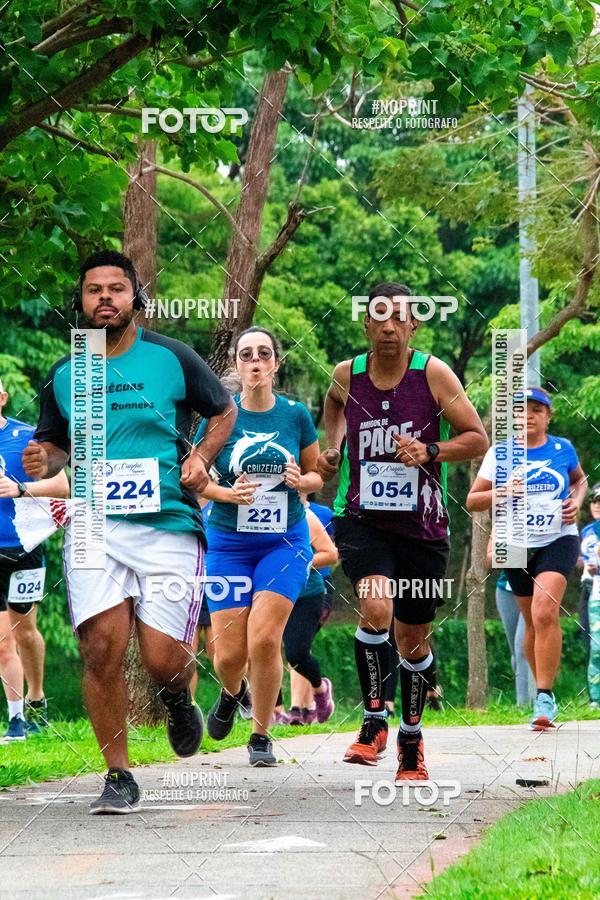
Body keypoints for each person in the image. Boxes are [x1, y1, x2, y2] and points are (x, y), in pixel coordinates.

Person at [23, 250, 236, 813]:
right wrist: (42, 458)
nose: (105, 299)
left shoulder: (171, 357)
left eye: (116, 289)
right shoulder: (66, 373)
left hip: (167, 524)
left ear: (135, 299)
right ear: (81, 302)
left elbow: (223, 410)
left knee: (165, 658)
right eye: (94, 290)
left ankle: (176, 697)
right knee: (99, 649)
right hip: (95, 524)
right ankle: (118, 775)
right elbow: (54, 447)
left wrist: (204, 459)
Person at [317, 282, 488, 781]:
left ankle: (411, 737)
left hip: (422, 526)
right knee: (375, 606)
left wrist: (431, 451)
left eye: (400, 317)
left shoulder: (432, 373)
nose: (389, 326)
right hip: (361, 519)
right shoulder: (347, 373)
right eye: (379, 316)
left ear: (414, 324)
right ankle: (374, 722)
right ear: (366, 324)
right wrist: (335, 446)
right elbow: (332, 405)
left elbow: (476, 437)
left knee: (413, 639)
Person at [197, 326, 324, 767]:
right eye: (246, 354)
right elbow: (194, 476)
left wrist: (300, 481)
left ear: (275, 363)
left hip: (284, 541)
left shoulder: (294, 415)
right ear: (236, 364)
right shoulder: (219, 417)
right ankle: (233, 693)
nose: (255, 361)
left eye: (263, 354)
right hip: (229, 543)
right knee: (229, 654)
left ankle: (261, 735)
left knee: (266, 639)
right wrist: (225, 493)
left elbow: (315, 475)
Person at [467, 387, 587, 730]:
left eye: (537, 409)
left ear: (548, 416)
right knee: (532, 623)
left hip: (557, 539)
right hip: (514, 543)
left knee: (544, 611)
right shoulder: (499, 454)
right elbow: (473, 500)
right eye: (522, 410)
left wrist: (576, 501)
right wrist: (502, 491)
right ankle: (541, 696)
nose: (529, 415)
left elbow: (579, 481)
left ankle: (545, 697)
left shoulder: (563, 448)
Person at [0, 377, 70, 740]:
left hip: (23, 548)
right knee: (2, 640)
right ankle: (16, 722)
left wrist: (20, 488)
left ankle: (37, 698)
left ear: (2, 398)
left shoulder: (26, 437)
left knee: (25, 633)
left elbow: (62, 486)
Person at [282, 498, 337, 725]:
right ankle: (270, 715)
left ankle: (320, 688)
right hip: (269, 592)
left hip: (307, 593)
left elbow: (331, 554)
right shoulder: (247, 514)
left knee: (296, 654)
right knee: (262, 648)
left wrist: (298, 562)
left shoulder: (305, 516)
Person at [485, 538, 535, 705]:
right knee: (516, 653)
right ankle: (535, 697)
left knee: (523, 648)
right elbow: (489, 559)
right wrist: (519, 554)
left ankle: (527, 706)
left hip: (538, 589)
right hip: (507, 590)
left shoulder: (545, 516)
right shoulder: (504, 519)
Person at [580, 484, 600, 707]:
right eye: (594, 501)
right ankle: (594, 697)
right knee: (593, 644)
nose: (597, 506)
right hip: (590, 588)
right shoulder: (587, 531)